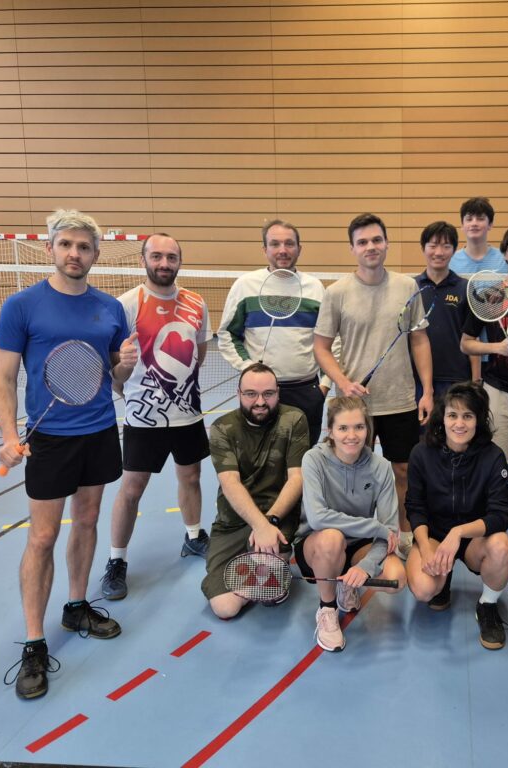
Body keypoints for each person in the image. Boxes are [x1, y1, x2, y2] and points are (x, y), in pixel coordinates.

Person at [0, 209, 137, 700]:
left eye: (84, 247)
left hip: (99, 430)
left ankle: (77, 606)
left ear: (95, 254)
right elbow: (3, 378)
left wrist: (126, 365)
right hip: (49, 438)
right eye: (66, 245)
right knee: (42, 536)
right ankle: (34, 642)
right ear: (51, 249)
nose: (74, 253)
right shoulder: (22, 306)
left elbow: (113, 379)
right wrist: (8, 435)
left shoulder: (109, 309)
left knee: (89, 518)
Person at [313, 213, 434, 558]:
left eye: (376, 240)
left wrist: (427, 391)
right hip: (355, 406)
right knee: (353, 474)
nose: (371, 247)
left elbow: (419, 339)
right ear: (352, 248)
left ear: (386, 244)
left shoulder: (407, 287)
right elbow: (321, 347)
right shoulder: (336, 293)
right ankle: (359, 535)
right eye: (363, 242)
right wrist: (342, 382)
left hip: (400, 400)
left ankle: (404, 534)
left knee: (403, 470)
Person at [100, 233, 212, 601]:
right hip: (143, 418)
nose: (164, 263)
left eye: (171, 257)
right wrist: (128, 384)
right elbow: (114, 370)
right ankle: (117, 560)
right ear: (143, 260)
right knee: (132, 489)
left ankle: (193, 536)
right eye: (157, 256)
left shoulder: (196, 303)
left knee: (191, 477)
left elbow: (198, 355)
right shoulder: (126, 304)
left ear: (179, 261)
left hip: (188, 412)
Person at [405, 383, 508, 650]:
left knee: (501, 546)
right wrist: (425, 548)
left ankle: (487, 605)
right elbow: (415, 507)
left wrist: (459, 532)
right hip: (435, 536)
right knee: (423, 589)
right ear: (442, 418)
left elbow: (501, 515)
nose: (459, 423)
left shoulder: (493, 457)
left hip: (474, 539)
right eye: (452, 415)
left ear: (479, 420)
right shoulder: (421, 453)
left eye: (468, 416)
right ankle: (442, 580)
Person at [296, 396, 405, 652]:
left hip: (358, 545)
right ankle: (327, 608)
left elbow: (389, 530)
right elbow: (318, 518)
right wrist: (374, 527)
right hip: (318, 543)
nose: (352, 436)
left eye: (359, 427)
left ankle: (347, 583)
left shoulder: (380, 467)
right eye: (343, 428)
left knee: (397, 578)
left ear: (368, 429)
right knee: (332, 538)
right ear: (331, 431)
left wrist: (366, 566)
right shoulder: (313, 459)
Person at [201, 363, 310, 619]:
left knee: (268, 583)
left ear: (278, 393)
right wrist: (260, 526)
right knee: (225, 608)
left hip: (278, 517)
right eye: (251, 394)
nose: (260, 402)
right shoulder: (222, 427)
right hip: (233, 521)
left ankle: (273, 565)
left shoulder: (294, 419)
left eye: (268, 394)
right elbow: (230, 482)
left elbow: (297, 478)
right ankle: (264, 573)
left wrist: (270, 522)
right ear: (238, 393)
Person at [216, 220, 328, 446]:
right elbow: (228, 334)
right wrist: (248, 368)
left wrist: (324, 386)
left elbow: (330, 341)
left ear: (299, 248)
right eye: (275, 244)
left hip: (306, 391)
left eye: (289, 244)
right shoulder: (245, 285)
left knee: (303, 458)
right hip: (260, 394)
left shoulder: (315, 288)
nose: (282, 250)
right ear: (264, 249)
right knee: (260, 458)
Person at [460, 223, 508, 458]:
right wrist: (497, 347)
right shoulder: (492, 296)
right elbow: (466, 343)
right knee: (495, 461)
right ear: (505, 253)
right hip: (498, 389)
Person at [414, 221, 480, 401]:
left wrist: (476, 381)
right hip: (416, 380)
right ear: (423, 248)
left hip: (457, 379)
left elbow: (472, 338)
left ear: (454, 250)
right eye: (433, 245)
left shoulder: (466, 288)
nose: (439, 252)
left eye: (446, 246)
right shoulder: (412, 287)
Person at [449, 196, 507, 274]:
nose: (474, 223)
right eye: (469, 219)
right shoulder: (450, 261)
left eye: (480, 219)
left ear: (490, 225)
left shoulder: (504, 260)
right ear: (462, 225)